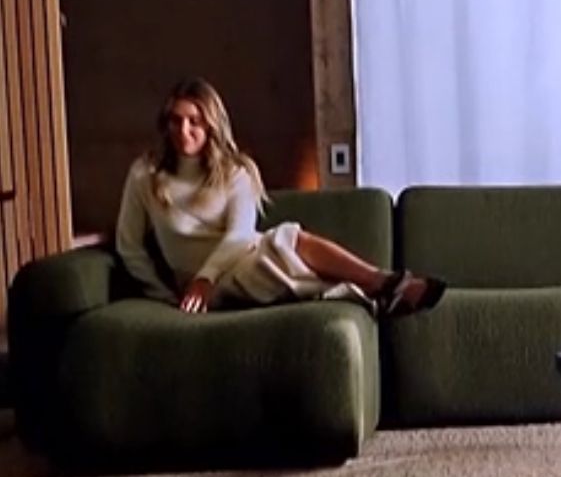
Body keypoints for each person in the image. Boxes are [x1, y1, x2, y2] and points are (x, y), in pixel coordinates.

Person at [114, 77, 446, 318]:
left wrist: (205, 276)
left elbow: (239, 235)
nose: (183, 131)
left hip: (237, 261)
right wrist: (164, 293)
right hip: (206, 287)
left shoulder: (236, 172)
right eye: (176, 121)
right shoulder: (145, 174)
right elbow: (129, 246)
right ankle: (383, 286)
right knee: (281, 246)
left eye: (194, 122)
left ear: (211, 125)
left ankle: (381, 285)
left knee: (283, 244)